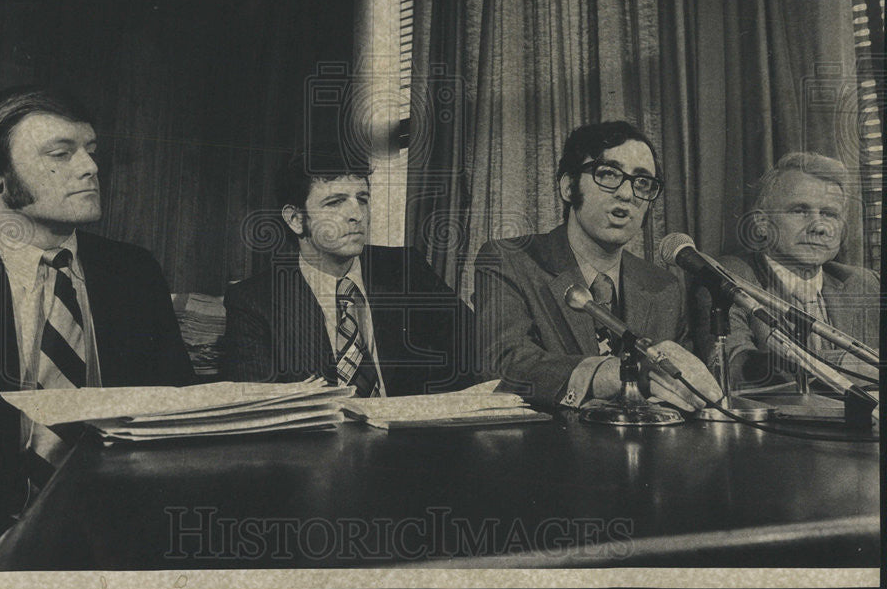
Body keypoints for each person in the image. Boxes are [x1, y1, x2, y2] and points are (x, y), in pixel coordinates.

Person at [0, 87, 194, 571]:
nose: (90, 168)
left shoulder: (134, 274)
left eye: (91, 151)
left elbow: (180, 417)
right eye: (60, 154)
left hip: (122, 545)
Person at [474, 121, 722, 411]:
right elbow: (500, 366)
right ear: (569, 187)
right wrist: (608, 374)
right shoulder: (510, 260)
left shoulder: (663, 287)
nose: (627, 194)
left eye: (642, 183)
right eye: (608, 174)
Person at [223, 146, 474, 396]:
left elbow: (474, 348)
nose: (357, 214)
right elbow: (260, 410)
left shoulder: (406, 269)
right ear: (296, 219)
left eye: (362, 199)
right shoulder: (253, 301)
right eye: (335, 202)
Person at [691, 152, 880, 391]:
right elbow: (734, 370)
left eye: (829, 214)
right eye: (800, 211)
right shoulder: (728, 278)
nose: (819, 227)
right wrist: (845, 364)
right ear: (761, 224)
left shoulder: (867, 283)